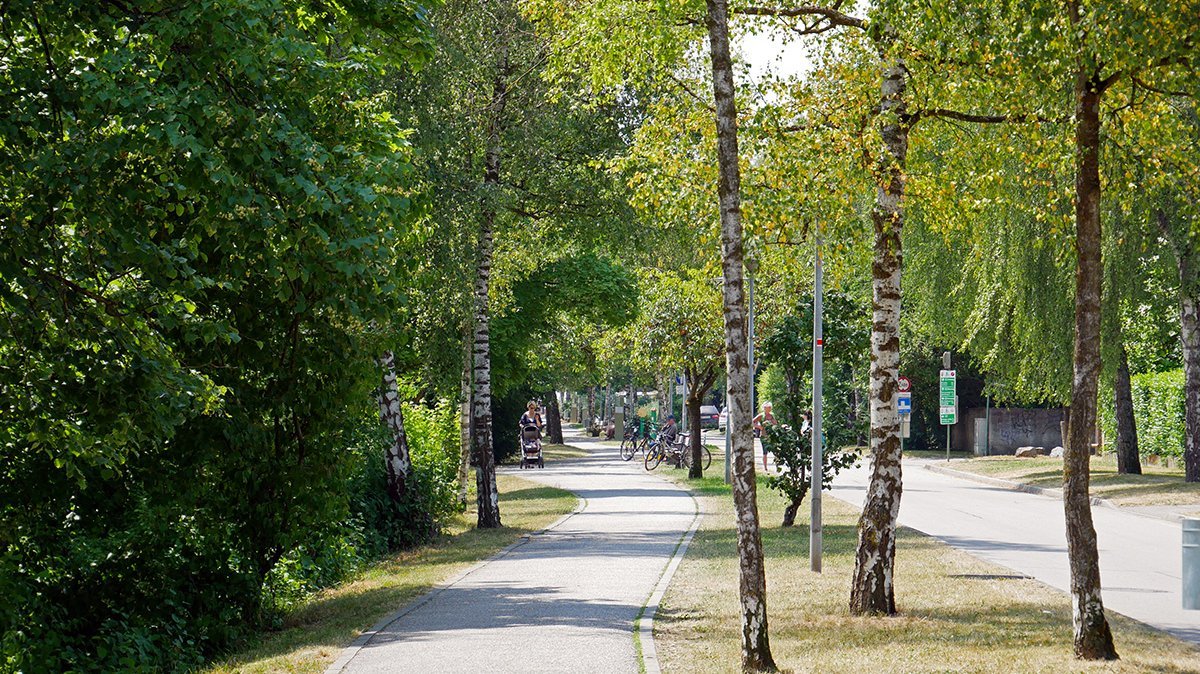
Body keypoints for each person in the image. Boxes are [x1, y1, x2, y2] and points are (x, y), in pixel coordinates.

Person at [753, 401, 776, 471]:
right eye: (768, 407)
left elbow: (776, 423)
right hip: (763, 436)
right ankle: (765, 467)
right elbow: (752, 422)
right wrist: (759, 427)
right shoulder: (761, 415)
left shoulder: (772, 415)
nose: (769, 409)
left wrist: (774, 424)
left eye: (770, 407)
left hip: (772, 436)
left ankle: (777, 466)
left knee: (775, 451)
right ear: (764, 408)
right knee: (765, 451)